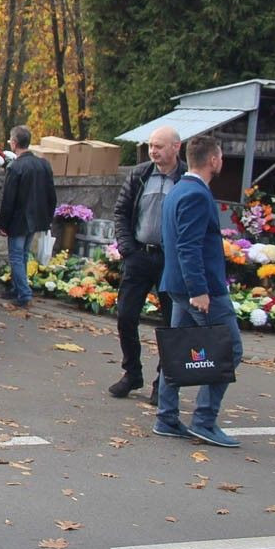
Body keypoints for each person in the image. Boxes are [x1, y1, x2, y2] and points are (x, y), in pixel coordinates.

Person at [154, 135, 243, 448]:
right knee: (230, 349)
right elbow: (188, 246)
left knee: (177, 351)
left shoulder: (179, 189)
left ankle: (166, 417)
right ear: (214, 160)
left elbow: (173, 242)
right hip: (201, 291)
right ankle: (204, 420)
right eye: (220, 157)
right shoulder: (195, 194)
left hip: (179, 286)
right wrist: (199, 290)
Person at [109, 125, 184, 404]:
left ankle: (162, 382)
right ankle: (132, 373)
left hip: (170, 261)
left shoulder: (186, 178)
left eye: (159, 146)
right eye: (151, 146)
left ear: (176, 147)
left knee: (170, 323)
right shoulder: (140, 174)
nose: (153, 151)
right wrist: (128, 249)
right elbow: (121, 212)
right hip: (139, 255)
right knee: (126, 316)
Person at [0, 125, 57, 310]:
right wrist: (48, 216)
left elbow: (9, 199)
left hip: (19, 218)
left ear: (14, 143)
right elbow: (51, 194)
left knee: (16, 255)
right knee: (22, 254)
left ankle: (23, 293)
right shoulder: (43, 164)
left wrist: (2, 224)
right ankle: (17, 288)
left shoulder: (16, 167)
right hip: (36, 218)